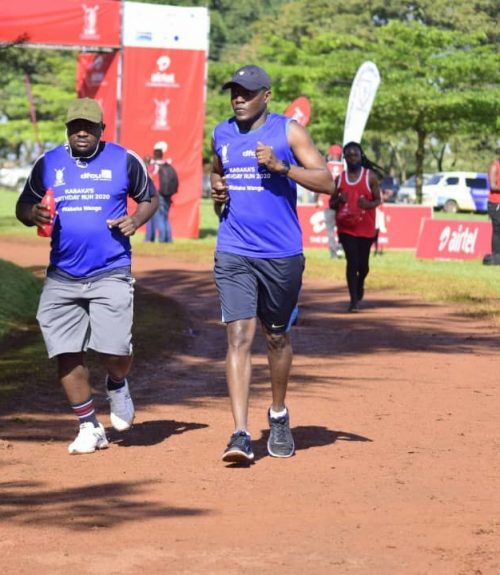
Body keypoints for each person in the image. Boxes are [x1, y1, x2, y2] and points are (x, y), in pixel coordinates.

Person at [15, 97, 158, 454]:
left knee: (115, 349)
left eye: (89, 127)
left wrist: (135, 219)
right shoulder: (49, 162)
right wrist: (32, 214)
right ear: (67, 130)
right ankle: (89, 426)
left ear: (101, 130)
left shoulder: (123, 159)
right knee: (65, 350)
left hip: (111, 270)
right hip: (62, 275)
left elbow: (149, 198)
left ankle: (117, 382)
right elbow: (23, 205)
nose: (82, 132)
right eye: (75, 127)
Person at [211, 64, 334, 463]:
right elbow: (217, 172)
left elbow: (327, 182)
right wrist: (217, 189)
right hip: (234, 248)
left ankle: (278, 414)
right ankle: (240, 432)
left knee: (276, 336)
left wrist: (282, 167)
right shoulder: (221, 133)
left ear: (266, 96)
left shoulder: (289, 132)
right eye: (234, 92)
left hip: (281, 253)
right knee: (238, 336)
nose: (238, 99)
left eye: (247, 92)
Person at [330, 142, 383, 312]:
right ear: (345, 158)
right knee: (352, 262)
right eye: (349, 155)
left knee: (363, 266)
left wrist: (368, 204)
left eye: (355, 155)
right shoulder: (340, 179)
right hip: (346, 228)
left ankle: (360, 283)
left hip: (365, 227)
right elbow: (331, 203)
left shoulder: (370, 177)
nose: (353, 158)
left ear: (361, 157)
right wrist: (339, 200)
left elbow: (378, 199)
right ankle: (353, 301)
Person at [144, 141, 178, 243]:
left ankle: (162, 240)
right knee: (164, 217)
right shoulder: (166, 165)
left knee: (158, 217)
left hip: (156, 194)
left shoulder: (154, 166)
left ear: (154, 154)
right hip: (166, 194)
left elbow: (146, 174)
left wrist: (146, 163)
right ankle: (168, 239)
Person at [314, 144, 344, 258]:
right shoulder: (344, 168)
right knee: (342, 227)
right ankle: (340, 247)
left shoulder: (325, 167)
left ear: (330, 154)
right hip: (341, 202)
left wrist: (317, 199)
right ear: (340, 155)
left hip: (328, 202)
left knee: (330, 229)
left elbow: (319, 183)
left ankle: (333, 253)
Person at [485, 147, 500, 265]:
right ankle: (496, 256)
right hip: (495, 203)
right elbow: (493, 186)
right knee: (497, 230)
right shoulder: (495, 166)